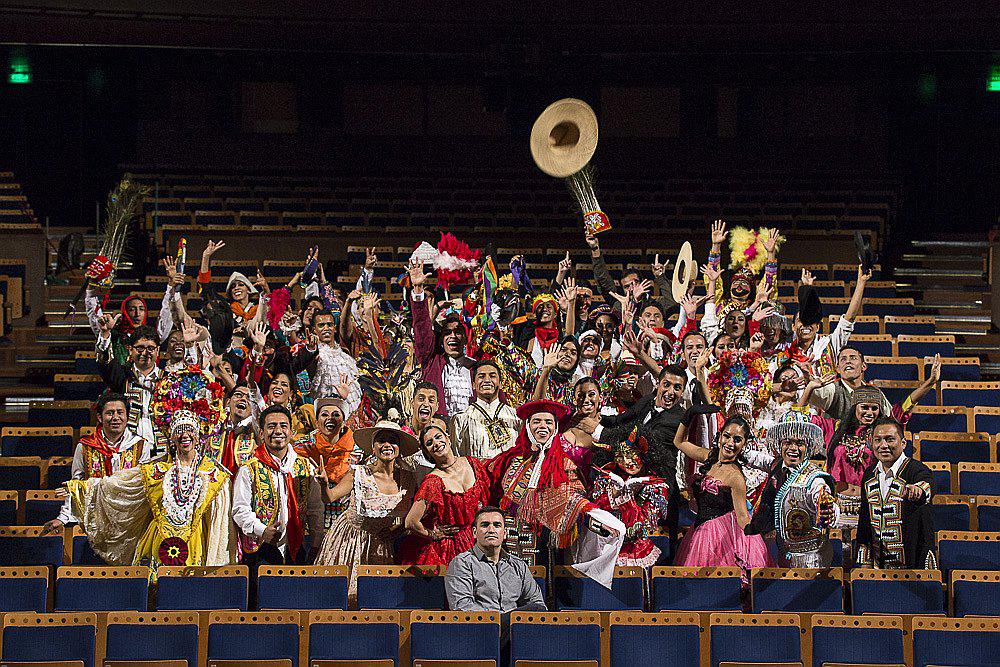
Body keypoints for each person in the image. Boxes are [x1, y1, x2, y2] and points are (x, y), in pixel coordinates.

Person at [58, 367, 235, 579]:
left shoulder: (214, 474)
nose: (184, 436)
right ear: (171, 437)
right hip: (156, 542)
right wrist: (80, 488)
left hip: (197, 544)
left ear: (198, 436)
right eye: (179, 431)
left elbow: (219, 525)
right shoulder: (156, 469)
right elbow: (118, 484)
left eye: (189, 431)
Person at [486, 399, 624, 587]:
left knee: (542, 589)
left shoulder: (564, 464)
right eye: (536, 421)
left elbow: (574, 497)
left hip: (545, 540)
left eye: (548, 422)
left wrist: (595, 518)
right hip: (509, 540)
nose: (542, 426)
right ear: (527, 426)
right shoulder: (512, 459)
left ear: (555, 427)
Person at [312, 419, 418, 606]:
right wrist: (322, 484)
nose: (387, 445)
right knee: (340, 599)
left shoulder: (408, 479)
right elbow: (330, 497)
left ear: (399, 447)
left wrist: (397, 531)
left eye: (392, 440)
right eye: (381, 440)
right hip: (349, 540)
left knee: (375, 602)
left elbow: (411, 515)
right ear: (373, 447)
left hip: (382, 545)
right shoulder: (358, 473)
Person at [671, 415, 774, 581]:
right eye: (727, 436)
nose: (730, 443)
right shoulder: (708, 457)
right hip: (699, 531)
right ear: (720, 436)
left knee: (717, 584)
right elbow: (679, 442)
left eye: (737, 439)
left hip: (722, 535)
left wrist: (753, 529)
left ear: (744, 444)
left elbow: (741, 515)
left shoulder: (736, 477)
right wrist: (690, 414)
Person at [43, 393, 152, 535]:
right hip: (96, 517)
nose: (116, 418)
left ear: (127, 417)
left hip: (130, 518)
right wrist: (62, 518)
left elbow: (142, 487)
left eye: (120, 412)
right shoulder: (85, 447)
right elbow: (76, 485)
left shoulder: (140, 446)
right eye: (109, 413)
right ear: (100, 417)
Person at [232, 405, 325, 567]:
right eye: (271, 426)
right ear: (261, 433)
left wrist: (316, 543)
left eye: (283, 426)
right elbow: (240, 509)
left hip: (297, 548)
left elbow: (315, 509)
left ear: (291, 432)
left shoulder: (305, 467)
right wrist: (262, 530)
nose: (278, 430)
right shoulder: (249, 468)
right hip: (260, 548)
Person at [744, 410, 838, 568]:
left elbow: (824, 500)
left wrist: (830, 510)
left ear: (807, 447)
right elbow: (754, 458)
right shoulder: (777, 466)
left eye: (799, 443)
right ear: (780, 445)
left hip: (812, 560)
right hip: (783, 554)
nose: (793, 448)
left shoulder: (814, 479)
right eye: (787, 442)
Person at [400, 423, 491, 565]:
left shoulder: (473, 463)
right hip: (453, 551)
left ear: (448, 439)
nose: (436, 443)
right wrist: (433, 534)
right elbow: (411, 522)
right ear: (427, 453)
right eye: (429, 443)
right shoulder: (433, 481)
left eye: (438, 437)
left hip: (481, 542)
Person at [855, 417, 937, 569]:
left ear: (903, 443)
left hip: (913, 564)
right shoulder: (869, 475)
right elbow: (865, 520)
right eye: (878, 440)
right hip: (877, 566)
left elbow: (926, 486)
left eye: (890, 440)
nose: (883, 445)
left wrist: (917, 491)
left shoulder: (917, 469)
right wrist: (864, 562)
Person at [591, 428, 671, 568]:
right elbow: (595, 517)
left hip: (636, 551)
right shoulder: (607, 480)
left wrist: (628, 501)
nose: (627, 461)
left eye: (631, 454)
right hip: (606, 548)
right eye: (620, 457)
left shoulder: (657, 487)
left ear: (644, 451)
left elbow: (644, 523)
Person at [445, 505, 547, 614]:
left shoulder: (518, 565)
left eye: (497, 525)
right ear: (474, 533)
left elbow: (537, 603)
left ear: (504, 533)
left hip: (515, 627)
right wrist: (499, 619)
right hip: (481, 626)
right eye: (485, 525)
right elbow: (462, 608)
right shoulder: (462, 563)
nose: (491, 530)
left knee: (538, 609)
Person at [409, 259, 474, 417]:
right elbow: (422, 328)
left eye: (458, 332)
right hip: (438, 433)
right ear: (440, 338)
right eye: (447, 332)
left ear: (465, 339)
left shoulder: (475, 367)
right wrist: (418, 289)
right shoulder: (431, 361)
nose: (453, 336)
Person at [95, 315, 165, 450]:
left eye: (151, 348)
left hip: (161, 448)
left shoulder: (168, 379)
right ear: (130, 349)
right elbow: (104, 363)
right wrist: (105, 333)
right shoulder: (121, 375)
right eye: (140, 348)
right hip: (127, 448)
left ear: (158, 350)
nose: (146, 353)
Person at [294, 397, 361, 527]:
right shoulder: (304, 447)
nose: (330, 418)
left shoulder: (356, 450)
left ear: (343, 422)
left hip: (344, 519)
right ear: (317, 422)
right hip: (311, 518)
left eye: (336, 415)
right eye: (324, 414)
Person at [452, 360, 521, 459]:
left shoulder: (516, 416)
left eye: (492, 376)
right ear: (473, 385)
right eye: (481, 376)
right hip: (475, 473)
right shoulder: (460, 419)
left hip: (509, 473)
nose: (487, 380)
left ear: (501, 384)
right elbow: (456, 459)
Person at [212, 382, 257, 473]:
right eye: (238, 395)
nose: (243, 399)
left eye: (249, 398)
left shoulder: (257, 432)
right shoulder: (214, 428)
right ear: (228, 402)